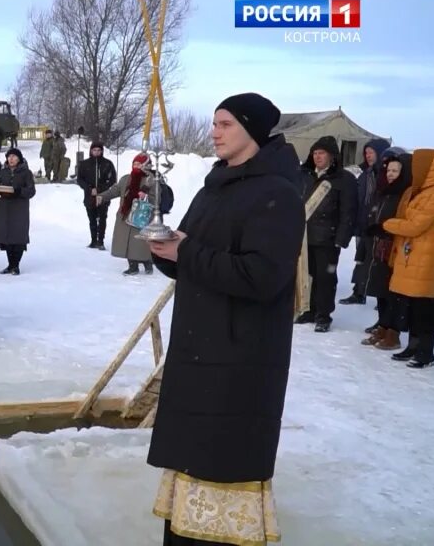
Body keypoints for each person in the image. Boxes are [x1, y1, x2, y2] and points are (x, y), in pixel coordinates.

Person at [147, 92, 304, 546]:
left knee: (221, 465)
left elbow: (264, 277)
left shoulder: (277, 193)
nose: (214, 131)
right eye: (214, 123)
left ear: (251, 130)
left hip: (240, 357)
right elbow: (196, 253)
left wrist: (187, 251)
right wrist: (167, 251)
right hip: (200, 347)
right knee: (193, 467)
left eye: (225, 124)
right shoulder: (217, 184)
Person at [296, 135, 357, 332]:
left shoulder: (344, 179)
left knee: (326, 278)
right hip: (305, 236)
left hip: (328, 238)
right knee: (307, 276)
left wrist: (341, 238)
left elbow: (348, 210)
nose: (317, 156)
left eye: (321, 153)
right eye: (315, 153)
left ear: (332, 156)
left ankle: (323, 315)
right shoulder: (306, 175)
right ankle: (309, 310)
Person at [384, 149, 434, 369]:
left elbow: (415, 225)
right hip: (416, 256)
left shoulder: (433, 194)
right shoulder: (421, 191)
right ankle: (413, 346)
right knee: (414, 306)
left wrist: (387, 224)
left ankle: (426, 352)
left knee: (426, 308)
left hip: (429, 259)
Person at [360, 149, 412, 350]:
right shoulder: (383, 191)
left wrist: (384, 227)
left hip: (393, 248)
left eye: (395, 170)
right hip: (378, 246)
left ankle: (393, 333)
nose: (391, 174)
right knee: (379, 289)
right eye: (389, 170)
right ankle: (382, 326)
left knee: (392, 293)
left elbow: (402, 221)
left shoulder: (403, 194)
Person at [342, 138, 391, 304]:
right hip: (364, 223)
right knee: (361, 258)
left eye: (372, 152)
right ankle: (359, 292)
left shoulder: (386, 175)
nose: (368, 155)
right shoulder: (365, 174)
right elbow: (359, 199)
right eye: (366, 152)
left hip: (379, 226)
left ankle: (382, 299)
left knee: (380, 262)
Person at [97, 153, 159, 275]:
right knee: (128, 243)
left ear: (146, 166)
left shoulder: (151, 181)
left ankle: (147, 263)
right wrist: (102, 197)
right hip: (125, 215)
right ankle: (133, 266)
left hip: (142, 216)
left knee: (140, 244)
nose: (136, 166)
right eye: (134, 164)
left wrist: (146, 196)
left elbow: (157, 199)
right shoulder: (126, 179)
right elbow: (114, 190)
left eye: (139, 164)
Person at [0, 147, 36, 275]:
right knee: (7, 237)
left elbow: (31, 191)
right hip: (5, 208)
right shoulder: (3, 172)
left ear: (19, 159)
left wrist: (18, 192)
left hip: (19, 209)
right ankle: (10, 264)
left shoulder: (26, 173)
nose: (11, 159)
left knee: (18, 237)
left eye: (14, 157)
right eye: (9, 157)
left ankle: (15, 265)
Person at [76, 142, 118, 249]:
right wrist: (89, 189)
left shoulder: (107, 164)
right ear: (91, 151)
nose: (96, 152)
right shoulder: (84, 164)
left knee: (102, 218)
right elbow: (80, 179)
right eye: (94, 150)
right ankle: (93, 240)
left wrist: (99, 189)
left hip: (103, 196)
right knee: (92, 218)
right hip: (89, 196)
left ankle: (101, 241)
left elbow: (112, 180)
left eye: (99, 150)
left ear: (102, 151)